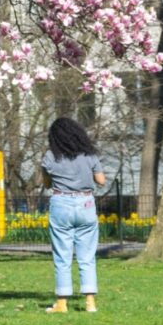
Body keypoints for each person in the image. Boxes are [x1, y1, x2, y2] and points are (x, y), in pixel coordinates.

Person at [40, 117, 106, 314]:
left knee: (62, 256)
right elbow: (101, 180)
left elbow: (47, 184)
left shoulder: (50, 156)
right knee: (87, 257)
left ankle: (62, 303)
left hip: (61, 204)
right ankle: (90, 302)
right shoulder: (89, 155)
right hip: (85, 203)